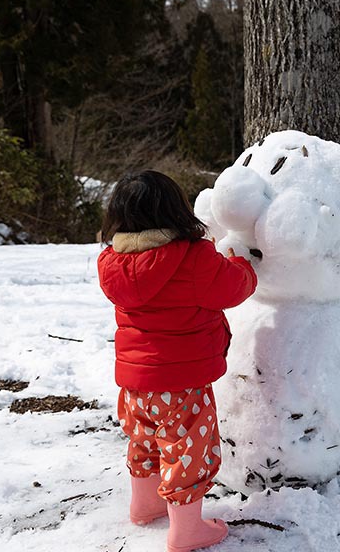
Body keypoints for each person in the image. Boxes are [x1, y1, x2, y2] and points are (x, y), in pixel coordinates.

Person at [97, 170, 257, 552]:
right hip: (182, 384)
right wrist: (241, 264)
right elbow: (233, 288)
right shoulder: (194, 257)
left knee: (144, 441)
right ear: (176, 212)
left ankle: (145, 504)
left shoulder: (111, 262)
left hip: (135, 384)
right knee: (188, 451)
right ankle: (186, 531)